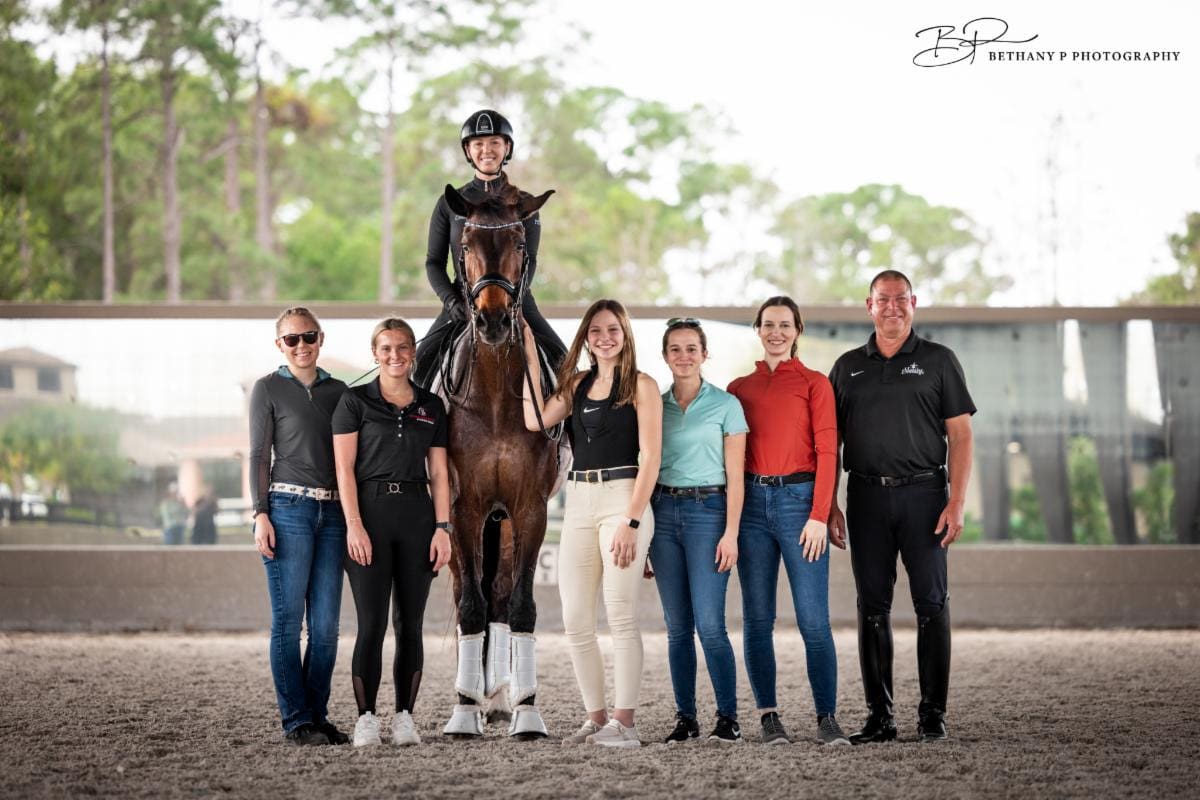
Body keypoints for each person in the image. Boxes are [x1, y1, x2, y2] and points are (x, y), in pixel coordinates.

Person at [827, 269, 976, 744]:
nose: (892, 307)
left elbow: (961, 434)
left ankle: (932, 715)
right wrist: (828, 503)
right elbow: (830, 443)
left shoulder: (939, 361)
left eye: (900, 299)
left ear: (914, 303)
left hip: (925, 496)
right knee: (872, 606)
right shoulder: (847, 366)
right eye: (882, 300)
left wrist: (956, 501)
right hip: (866, 497)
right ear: (868, 306)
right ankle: (880, 718)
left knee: (932, 604)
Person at [520, 299, 661, 748]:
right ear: (585, 336)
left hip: (624, 499)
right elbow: (535, 419)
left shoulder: (641, 385)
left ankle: (626, 723)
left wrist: (633, 522)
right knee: (576, 619)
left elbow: (652, 458)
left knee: (620, 616)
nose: (605, 337)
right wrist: (526, 355)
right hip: (579, 500)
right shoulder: (577, 384)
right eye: (596, 330)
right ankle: (597, 718)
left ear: (625, 335)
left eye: (613, 330)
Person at [727, 296, 849, 747]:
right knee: (757, 620)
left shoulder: (815, 384)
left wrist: (820, 514)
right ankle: (768, 718)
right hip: (753, 509)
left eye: (785, 324)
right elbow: (730, 461)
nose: (776, 331)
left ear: (797, 330)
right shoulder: (738, 389)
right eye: (768, 324)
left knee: (814, 622)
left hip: (801, 507)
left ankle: (827, 717)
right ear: (757, 330)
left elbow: (827, 452)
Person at [332, 318, 453, 748]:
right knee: (371, 625)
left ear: (413, 352)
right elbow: (343, 470)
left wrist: (443, 528)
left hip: (418, 518)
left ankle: (405, 717)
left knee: (410, 624)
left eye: (403, 347)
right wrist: (354, 525)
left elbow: (439, 472)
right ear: (375, 353)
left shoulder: (431, 405)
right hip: (370, 517)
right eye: (386, 348)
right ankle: (366, 718)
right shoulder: (354, 401)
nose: (395, 355)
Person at [249, 307, 349, 747]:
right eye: (292, 339)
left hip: (334, 515)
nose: (302, 346)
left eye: (309, 337)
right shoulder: (267, 388)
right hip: (286, 509)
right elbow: (258, 455)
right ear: (279, 346)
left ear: (321, 338)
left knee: (326, 628)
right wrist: (259, 513)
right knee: (288, 624)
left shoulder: (340, 392)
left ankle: (317, 716)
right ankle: (296, 721)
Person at [415, 108, 566, 389]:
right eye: (478, 144)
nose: (487, 150)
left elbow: (529, 259)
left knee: (563, 362)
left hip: (516, 300)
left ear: (507, 148)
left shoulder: (524, 203)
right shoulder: (450, 202)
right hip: (461, 301)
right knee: (421, 364)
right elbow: (434, 262)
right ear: (468, 151)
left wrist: (516, 300)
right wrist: (451, 302)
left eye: (495, 142)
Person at [650, 318, 747, 744]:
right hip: (663, 515)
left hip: (710, 512)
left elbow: (737, 476)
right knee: (676, 628)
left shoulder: (726, 405)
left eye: (692, 348)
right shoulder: (654, 405)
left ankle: (728, 718)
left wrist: (731, 533)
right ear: (665, 356)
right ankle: (686, 719)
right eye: (675, 349)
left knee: (710, 626)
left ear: (705, 354)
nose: (684, 356)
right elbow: (646, 467)